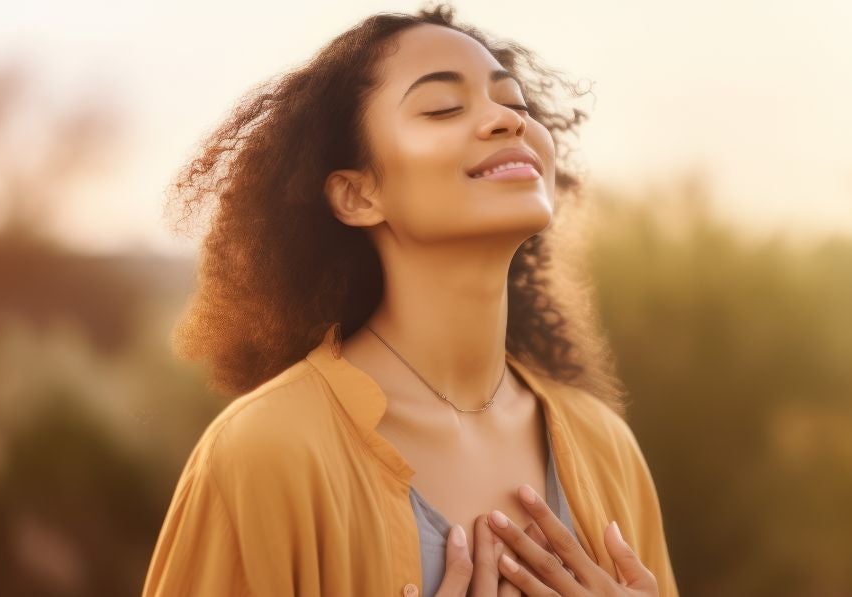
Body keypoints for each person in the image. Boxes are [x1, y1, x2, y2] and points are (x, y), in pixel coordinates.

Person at [142, 3, 679, 596]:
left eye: (516, 104)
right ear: (356, 195)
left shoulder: (606, 447)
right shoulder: (263, 453)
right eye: (443, 108)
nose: (506, 121)